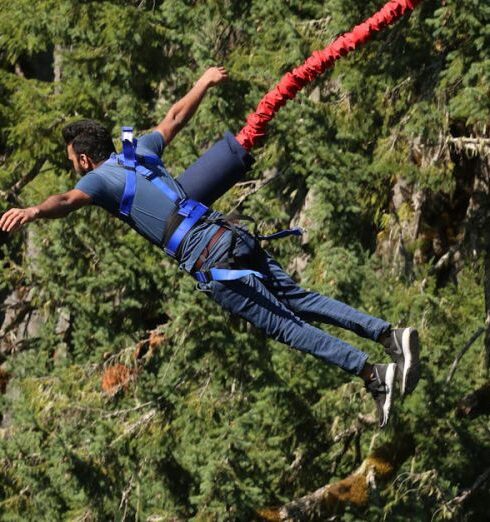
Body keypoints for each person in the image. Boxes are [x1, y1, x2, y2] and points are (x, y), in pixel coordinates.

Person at [0, 66, 420, 427]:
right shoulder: (138, 151)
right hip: (229, 234)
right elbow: (175, 117)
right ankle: (388, 335)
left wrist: (35, 211)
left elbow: (67, 202)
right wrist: (202, 82)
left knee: (286, 327)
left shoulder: (96, 180)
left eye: (73, 162)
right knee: (300, 299)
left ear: (85, 160)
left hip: (208, 257)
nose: (74, 170)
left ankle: (372, 374)